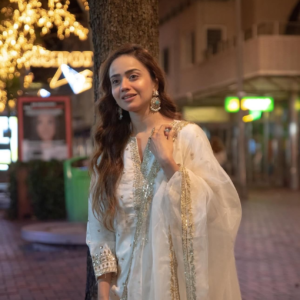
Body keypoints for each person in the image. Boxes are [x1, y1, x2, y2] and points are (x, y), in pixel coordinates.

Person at [87, 44, 242, 300]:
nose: (124, 85)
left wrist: (168, 162)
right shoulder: (111, 152)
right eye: (116, 81)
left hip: (176, 288)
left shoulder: (187, 136)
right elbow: (100, 230)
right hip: (125, 289)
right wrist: (103, 293)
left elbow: (219, 210)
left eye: (133, 76)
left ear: (154, 81)